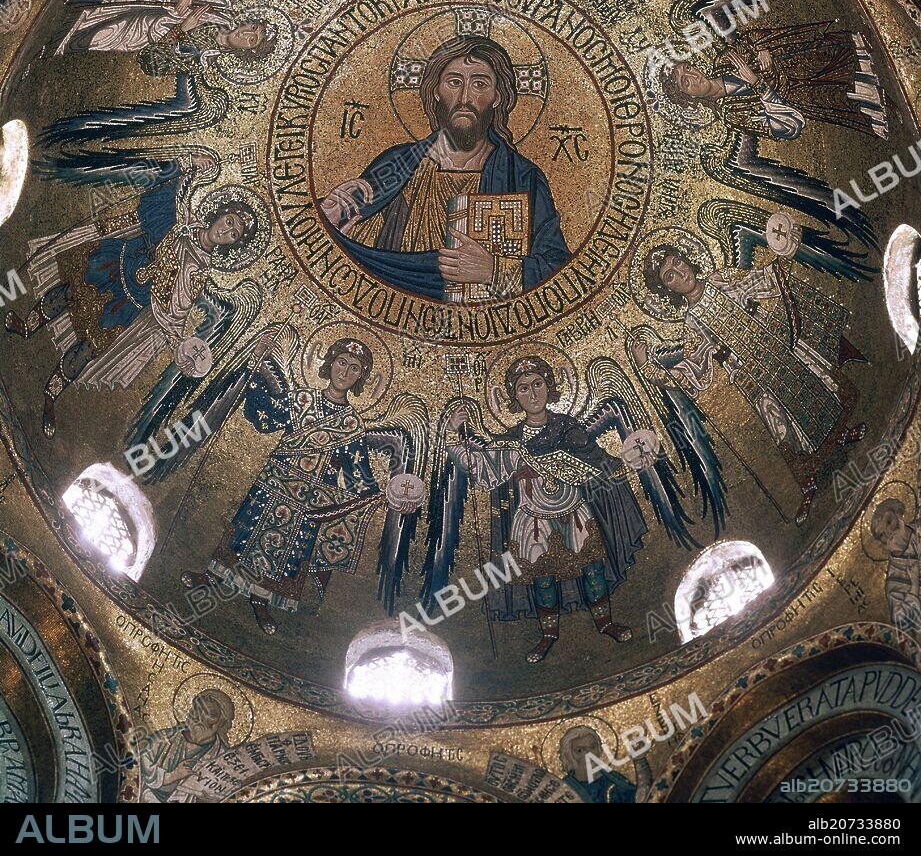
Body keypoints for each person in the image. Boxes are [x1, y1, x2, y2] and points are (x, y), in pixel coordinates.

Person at [4, 155, 258, 437]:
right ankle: (27, 326)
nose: (227, 230)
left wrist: (179, 346)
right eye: (230, 220)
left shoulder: (198, 273)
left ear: (233, 245)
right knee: (68, 292)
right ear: (220, 214)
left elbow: (176, 310)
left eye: (234, 234)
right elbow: (160, 193)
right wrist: (189, 165)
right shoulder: (183, 218)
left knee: (89, 347)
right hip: (118, 259)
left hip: (130, 301)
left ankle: (51, 396)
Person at [182, 335, 419, 635]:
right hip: (275, 483)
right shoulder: (302, 400)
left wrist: (391, 497)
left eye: (354, 368)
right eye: (341, 362)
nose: (344, 372)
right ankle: (214, 577)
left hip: (311, 501)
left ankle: (261, 599)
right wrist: (258, 366)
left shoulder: (352, 425)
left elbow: (360, 475)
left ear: (361, 378)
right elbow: (265, 416)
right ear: (330, 363)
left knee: (288, 551)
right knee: (245, 533)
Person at [321, 35, 570, 300]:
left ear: (498, 96)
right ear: (436, 90)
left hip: (483, 326)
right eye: (454, 82)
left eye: (480, 84)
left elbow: (558, 271)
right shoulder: (396, 165)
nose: (465, 98)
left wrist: (495, 271)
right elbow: (351, 251)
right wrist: (329, 215)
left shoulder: (522, 178)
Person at [634, 244, 866, 524]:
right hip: (752, 374)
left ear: (687, 259)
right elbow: (692, 373)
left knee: (817, 387)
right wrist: (647, 366)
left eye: (677, 262)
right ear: (668, 290)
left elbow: (760, 279)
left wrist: (784, 251)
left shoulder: (722, 278)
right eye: (669, 276)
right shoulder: (692, 323)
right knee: (782, 426)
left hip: (777, 343)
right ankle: (808, 484)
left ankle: (841, 435)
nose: (679, 273)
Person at [446, 355, 647, 663]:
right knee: (542, 578)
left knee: (592, 568)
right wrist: (454, 435)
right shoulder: (511, 442)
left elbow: (598, 460)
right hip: (532, 520)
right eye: (523, 388)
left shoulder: (569, 428)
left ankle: (605, 622)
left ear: (550, 387)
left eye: (538, 384)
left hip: (573, 510)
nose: (533, 393)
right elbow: (480, 465)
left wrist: (630, 460)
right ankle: (548, 635)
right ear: (514, 396)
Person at [660, 24, 888, 142]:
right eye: (685, 83)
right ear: (688, 97)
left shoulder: (723, 61)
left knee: (801, 55)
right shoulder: (731, 114)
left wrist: (761, 48)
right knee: (861, 94)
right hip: (801, 95)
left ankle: (859, 53)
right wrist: (757, 83)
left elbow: (749, 40)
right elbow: (786, 128)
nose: (692, 76)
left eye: (687, 68)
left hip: (800, 62)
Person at [54, 0, 276, 73]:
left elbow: (152, 62)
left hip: (143, 31)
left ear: (246, 52)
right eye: (253, 28)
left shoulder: (202, 61)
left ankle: (60, 26)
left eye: (252, 40)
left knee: (104, 31)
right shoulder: (222, 9)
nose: (247, 34)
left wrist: (181, 29)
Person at [139, 689, 235, 804]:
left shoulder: (224, 758)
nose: (200, 718)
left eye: (211, 714)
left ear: (221, 723)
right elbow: (141, 766)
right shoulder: (163, 738)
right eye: (198, 709)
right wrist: (171, 776)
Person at [559, 726, 652, 803]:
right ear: (568, 757)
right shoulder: (562, 790)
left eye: (593, 747)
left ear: (600, 750)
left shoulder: (614, 780)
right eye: (580, 750)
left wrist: (640, 761)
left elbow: (641, 799)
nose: (589, 753)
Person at [871, 498, 921, 638]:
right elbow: (901, 620)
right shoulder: (894, 579)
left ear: (899, 515)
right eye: (881, 535)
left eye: (888, 522)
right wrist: (914, 587)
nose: (888, 534)